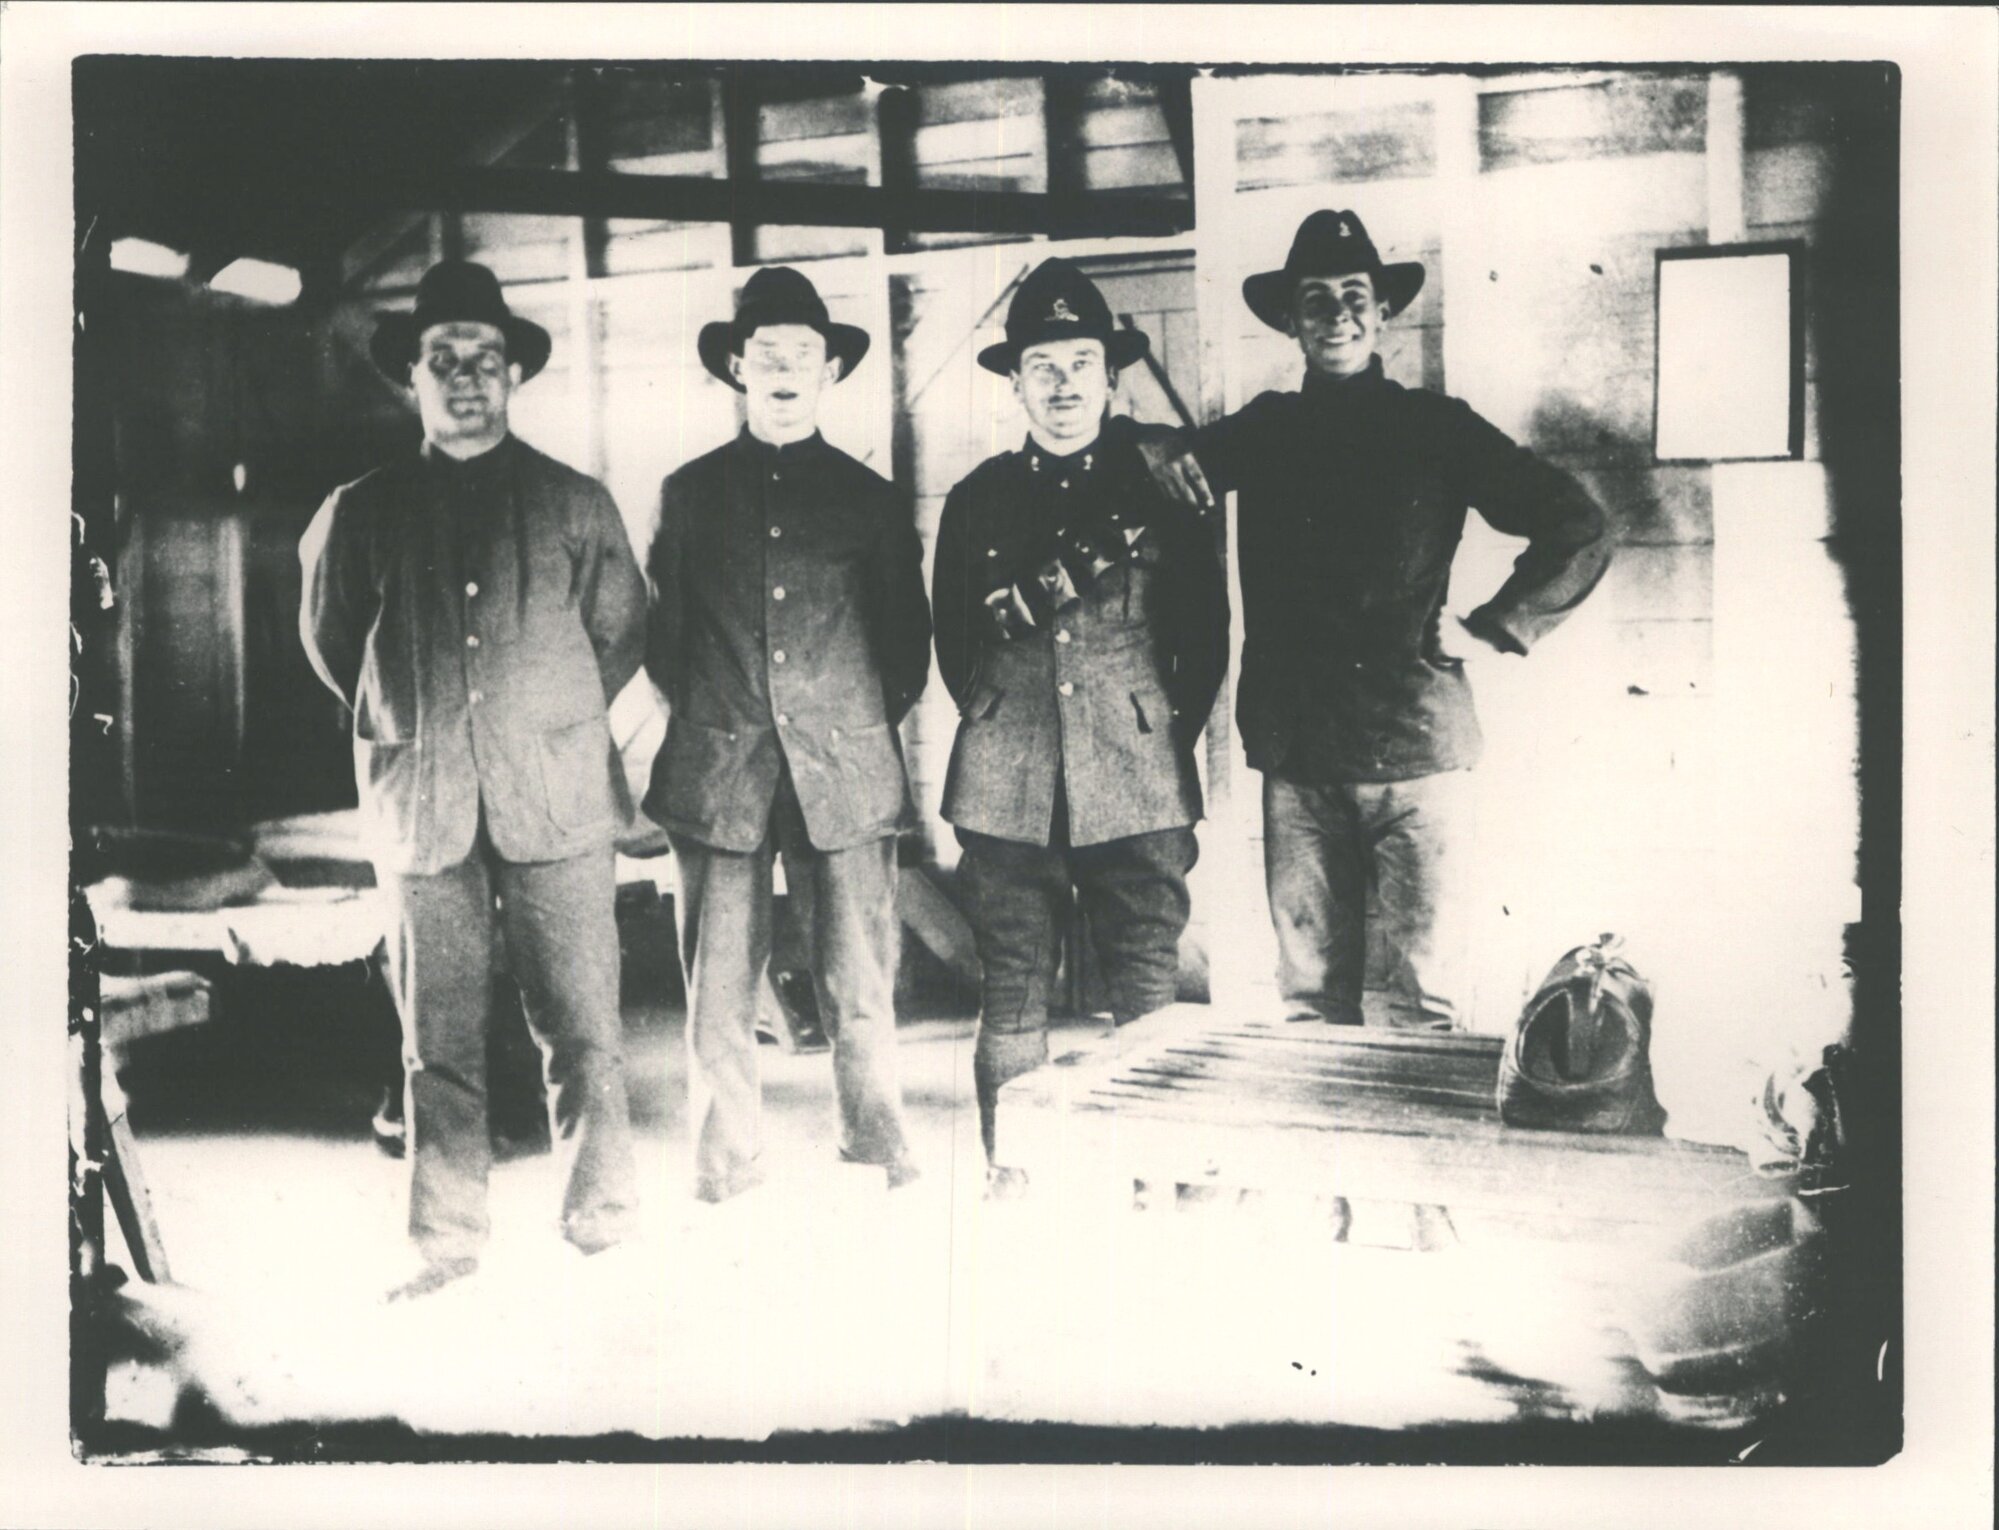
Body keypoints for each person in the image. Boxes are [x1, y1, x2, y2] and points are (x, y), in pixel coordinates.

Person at [1138, 209, 1613, 1032]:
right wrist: (1150, 446)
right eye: (1314, 299)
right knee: (1311, 1002)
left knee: (1427, 1005)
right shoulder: (1268, 430)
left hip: (1416, 756)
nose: (1337, 315)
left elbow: (1579, 525)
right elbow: (1158, 471)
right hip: (1298, 762)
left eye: (1354, 295)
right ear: (1289, 320)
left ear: (1383, 312)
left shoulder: (1434, 428)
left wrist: (1494, 625)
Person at [300, 260, 646, 1301]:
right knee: (433, 1041)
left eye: (484, 360)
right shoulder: (360, 510)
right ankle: (445, 1242)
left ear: (512, 376)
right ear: (411, 376)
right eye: (442, 360)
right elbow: (331, 645)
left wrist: (540, 724)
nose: (465, 378)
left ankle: (603, 1226)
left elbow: (619, 636)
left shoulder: (575, 503)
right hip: (424, 807)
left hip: (557, 803)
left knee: (584, 1028)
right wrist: (419, 721)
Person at [933, 258, 1230, 1191]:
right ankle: (1014, 1172)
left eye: (1080, 362)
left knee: (1146, 985)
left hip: (1136, 776)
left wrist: (1147, 740)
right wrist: (1006, 727)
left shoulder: (1162, 488)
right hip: (1004, 778)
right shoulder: (976, 496)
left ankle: (1159, 1169)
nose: (1062, 384)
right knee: (1012, 984)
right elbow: (954, 642)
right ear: (1015, 383)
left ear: (1111, 376)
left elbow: (1202, 638)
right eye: (1042, 366)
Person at [644, 266, 930, 1202]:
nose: (781, 368)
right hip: (719, 771)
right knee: (719, 988)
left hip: (843, 770)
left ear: (828, 373)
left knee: (860, 978)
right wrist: (729, 719)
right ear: (734, 367)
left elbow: (904, 646)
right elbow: (664, 639)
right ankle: (725, 1160)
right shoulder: (687, 494)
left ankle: (876, 1140)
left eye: (800, 354)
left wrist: (834, 729)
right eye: (763, 353)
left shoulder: (870, 498)